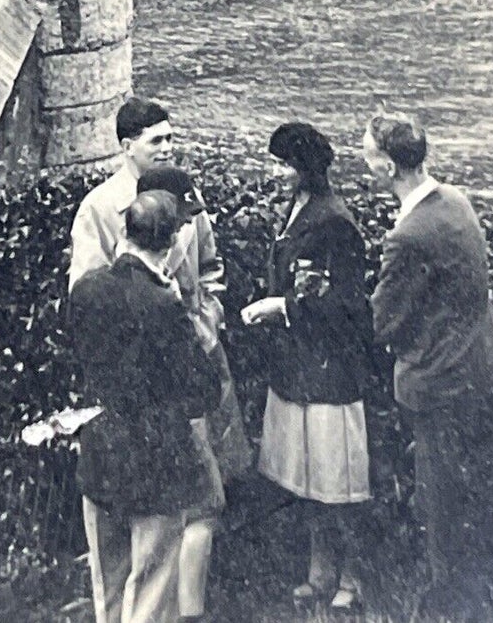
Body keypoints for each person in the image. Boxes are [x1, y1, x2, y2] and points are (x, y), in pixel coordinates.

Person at [364, 111, 493, 615]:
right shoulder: (455, 202)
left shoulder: (408, 235)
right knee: (464, 489)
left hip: (437, 383)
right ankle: (470, 588)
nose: (363, 162)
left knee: (440, 499)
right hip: (477, 369)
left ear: (387, 168)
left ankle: (448, 601)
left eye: (368, 154)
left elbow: (383, 320)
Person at [69, 191, 223, 623]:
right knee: (152, 585)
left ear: (126, 232)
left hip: (101, 450)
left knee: (109, 582)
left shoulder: (87, 289)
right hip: (157, 459)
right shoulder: (163, 305)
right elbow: (202, 389)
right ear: (172, 242)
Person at [242, 122, 375, 610]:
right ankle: (321, 573)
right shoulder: (296, 210)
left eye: (280, 164)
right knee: (311, 481)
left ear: (302, 170)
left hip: (328, 375)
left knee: (337, 483)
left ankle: (352, 578)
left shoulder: (334, 222)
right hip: (298, 369)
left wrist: (282, 308)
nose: (272, 172)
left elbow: (348, 307)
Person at [134, 166, 251, 622]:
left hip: (202, 356)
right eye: (180, 218)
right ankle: (182, 609)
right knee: (193, 497)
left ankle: (187, 606)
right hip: (165, 385)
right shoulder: (129, 237)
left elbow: (212, 269)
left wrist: (210, 316)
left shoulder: (190, 219)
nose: (187, 223)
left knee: (208, 487)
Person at [69, 98, 175, 289]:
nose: (167, 149)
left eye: (169, 138)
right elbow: (86, 294)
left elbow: (209, 268)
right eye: (156, 141)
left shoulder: (186, 194)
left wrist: (207, 315)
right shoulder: (98, 208)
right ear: (128, 147)